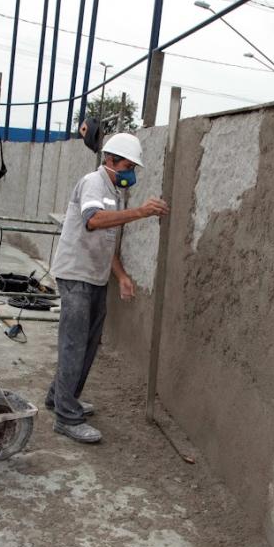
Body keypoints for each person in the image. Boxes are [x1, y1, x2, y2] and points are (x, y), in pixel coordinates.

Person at [46, 133, 169, 443]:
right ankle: (66, 418)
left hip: (95, 277)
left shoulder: (113, 191)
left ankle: (60, 398)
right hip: (76, 276)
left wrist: (122, 276)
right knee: (74, 345)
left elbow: (105, 242)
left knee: (87, 343)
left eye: (133, 167)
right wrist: (141, 211)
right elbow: (93, 221)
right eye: (128, 166)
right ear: (110, 161)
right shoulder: (94, 183)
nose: (131, 173)